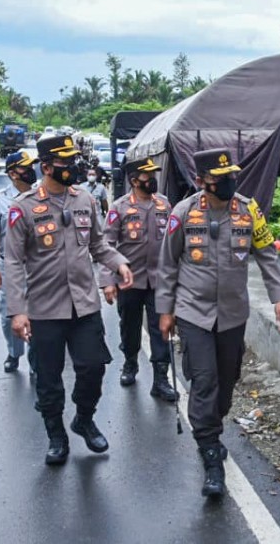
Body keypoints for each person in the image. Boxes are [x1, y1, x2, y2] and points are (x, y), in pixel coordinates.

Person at [156, 148, 280, 499]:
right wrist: (165, 311)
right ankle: (211, 452)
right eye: (221, 179)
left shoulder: (248, 211)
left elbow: (266, 254)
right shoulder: (183, 213)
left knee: (227, 380)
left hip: (233, 312)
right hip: (193, 311)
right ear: (201, 182)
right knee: (205, 380)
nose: (230, 182)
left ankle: (211, 425)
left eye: (232, 176)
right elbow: (168, 264)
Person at [3, 135, 134, 465]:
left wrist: (118, 263)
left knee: (93, 367)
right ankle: (56, 436)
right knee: (48, 380)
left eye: (75, 160)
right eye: (66, 162)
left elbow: (99, 245)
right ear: (46, 167)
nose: (74, 167)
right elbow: (14, 262)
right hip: (44, 309)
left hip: (83, 304)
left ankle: (84, 418)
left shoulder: (85, 200)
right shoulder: (23, 208)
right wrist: (17, 311)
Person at [101, 157, 177, 401]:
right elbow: (106, 245)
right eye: (147, 176)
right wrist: (108, 281)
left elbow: (176, 243)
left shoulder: (164, 204)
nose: (152, 180)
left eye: (153, 175)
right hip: (129, 280)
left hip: (159, 281)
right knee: (130, 327)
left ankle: (161, 378)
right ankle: (130, 362)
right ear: (134, 181)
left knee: (161, 328)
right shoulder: (119, 208)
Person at [0, 149, 40, 374]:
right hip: (10, 266)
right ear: (13, 173)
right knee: (9, 314)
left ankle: (37, 360)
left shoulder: (41, 195)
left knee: (37, 314)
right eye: (26, 167)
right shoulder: (0, 199)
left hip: (38, 265)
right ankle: (14, 353)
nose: (31, 171)